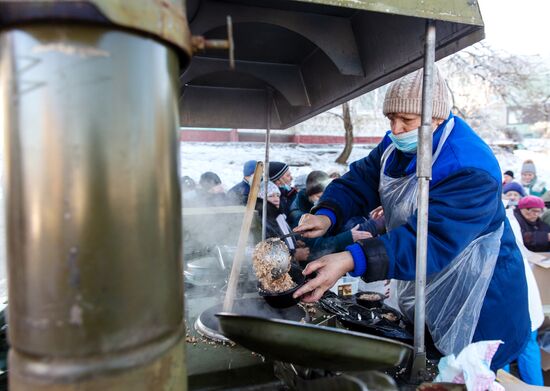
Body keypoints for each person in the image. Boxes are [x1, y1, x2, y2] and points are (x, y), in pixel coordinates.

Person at [292, 67, 530, 371]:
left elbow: (428, 240)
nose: (396, 129)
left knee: (462, 375)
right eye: (391, 119)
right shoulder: (398, 144)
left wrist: (350, 259)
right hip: (424, 285)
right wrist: (327, 214)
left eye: (406, 120)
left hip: (478, 298)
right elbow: (361, 180)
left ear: (438, 118)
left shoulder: (470, 167)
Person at [288, 170, 372, 261]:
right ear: (310, 194)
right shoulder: (299, 215)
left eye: (326, 196)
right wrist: (348, 237)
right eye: (319, 197)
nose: (323, 201)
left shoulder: (324, 206)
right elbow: (315, 247)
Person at [255, 181, 309, 262]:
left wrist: (293, 242)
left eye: (278, 195)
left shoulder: (278, 215)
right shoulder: (264, 220)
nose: (276, 199)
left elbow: (280, 239)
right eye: (271, 196)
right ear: (261, 198)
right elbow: (268, 254)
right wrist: (293, 255)